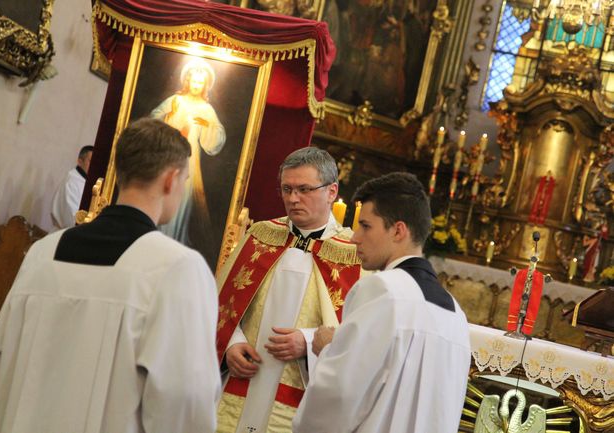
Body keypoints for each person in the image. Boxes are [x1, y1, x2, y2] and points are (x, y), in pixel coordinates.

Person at [0, 118, 221, 433]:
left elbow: (0, 360)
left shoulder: (43, 253)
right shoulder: (177, 267)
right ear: (171, 179)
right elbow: (184, 398)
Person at [293, 172, 471, 433]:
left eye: (365, 226)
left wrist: (329, 348)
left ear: (398, 230)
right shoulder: (456, 314)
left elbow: (341, 393)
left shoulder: (382, 290)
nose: (355, 237)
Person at [216, 147, 363, 433]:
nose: (293, 199)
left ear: (331, 192)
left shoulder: (353, 255)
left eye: (304, 189)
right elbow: (222, 301)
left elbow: (360, 334)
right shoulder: (261, 235)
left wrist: (308, 343)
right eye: (287, 189)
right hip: (241, 380)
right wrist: (230, 344)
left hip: (298, 393)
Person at [151, 58, 226, 250]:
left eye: (200, 83)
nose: (196, 85)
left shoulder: (206, 109)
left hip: (189, 163)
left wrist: (208, 125)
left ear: (205, 86)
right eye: (194, 81)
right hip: (166, 157)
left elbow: (217, 137)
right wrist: (168, 117)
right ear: (187, 81)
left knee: (181, 203)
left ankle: (173, 242)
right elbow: (153, 120)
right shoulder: (175, 101)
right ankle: (154, 240)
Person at [51, 145, 93, 229]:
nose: (94, 165)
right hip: (64, 235)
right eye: (90, 161)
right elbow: (72, 219)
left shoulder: (88, 183)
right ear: (80, 161)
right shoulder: (71, 182)